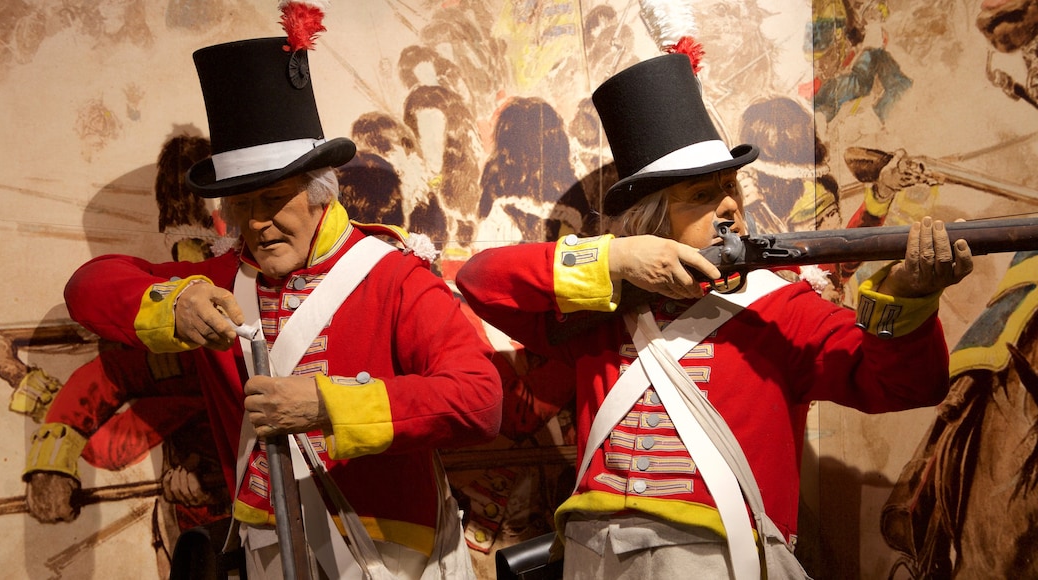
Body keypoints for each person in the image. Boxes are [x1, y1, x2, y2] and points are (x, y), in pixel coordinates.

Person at [456, 53, 973, 579]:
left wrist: (910, 293)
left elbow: (907, 386)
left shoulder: (781, 307)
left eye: (731, 189)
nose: (729, 207)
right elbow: (481, 281)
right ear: (650, 223)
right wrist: (614, 259)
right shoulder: (600, 306)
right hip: (596, 558)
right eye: (702, 196)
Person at [64, 36, 502, 580]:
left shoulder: (394, 275)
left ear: (321, 192)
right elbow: (88, 287)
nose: (255, 222)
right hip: (271, 550)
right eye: (241, 204)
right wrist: (171, 304)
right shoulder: (216, 278)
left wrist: (328, 405)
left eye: (273, 200)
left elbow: (479, 400)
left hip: (393, 551)